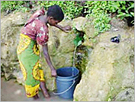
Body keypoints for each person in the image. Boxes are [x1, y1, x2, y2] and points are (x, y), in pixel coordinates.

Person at [17, 5, 71, 100]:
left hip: (29, 45)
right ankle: (35, 97)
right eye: (56, 22)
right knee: (31, 75)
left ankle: (46, 95)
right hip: (26, 51)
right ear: (50, 18)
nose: (56, 23)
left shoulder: (41, 13)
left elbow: (51, 22)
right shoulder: (43, 30)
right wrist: (52, 68)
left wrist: (62, 28)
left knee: (37, 69)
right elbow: (45, 51)